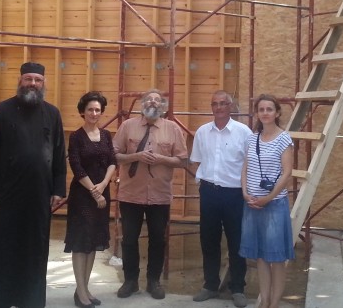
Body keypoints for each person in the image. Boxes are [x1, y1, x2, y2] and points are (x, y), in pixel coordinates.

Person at [0, 62, 67, 308]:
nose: (33, 84)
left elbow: (59, 153)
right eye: (28, 79)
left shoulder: (52, 113)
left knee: (33, 250)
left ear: (43, 83)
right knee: (1, 249)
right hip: (5, 196)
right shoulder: (2, 110)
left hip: (38, 196)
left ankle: (29, 301)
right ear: (20, 81)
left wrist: (59, 189)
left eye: (37, 80)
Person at [113, 89, 188, 300]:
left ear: (163, 106)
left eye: (157, 100)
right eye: (148, 100)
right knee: (129, 240)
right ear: (142, 104)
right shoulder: (127, 126)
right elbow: (114, 155)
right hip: (131, 195)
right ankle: (130, 281)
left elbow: (183, 160)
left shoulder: (172, 129)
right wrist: (136, 156)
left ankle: (153, 281)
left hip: (159, 196)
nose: (152, 102)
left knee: (157, 239)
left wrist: (161, 159)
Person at [189, 90, 253, 307]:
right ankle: (210, 285)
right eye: (214, 104)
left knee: (237, 241)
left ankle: (238, 288)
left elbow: (250, 164)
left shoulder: (243, 132)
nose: (218, 107)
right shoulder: (202, 132)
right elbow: (197, 160)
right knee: (208, 240)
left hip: (234, 194)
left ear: (231, 106)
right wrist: (204, 182)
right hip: (209, 193)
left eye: (223, 103)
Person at [240, 94, 295, 308]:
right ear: (257, 113)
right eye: (261, 109)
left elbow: (287, 173)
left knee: (276, 258)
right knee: (260, 257)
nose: (265, 113)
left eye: (269, 109)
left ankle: (274, 303)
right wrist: (245, 193)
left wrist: (268, 198)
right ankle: (264, 300)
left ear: (277, 112)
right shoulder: (252, 138)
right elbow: (245, 168)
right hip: (252, 204)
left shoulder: (284, 139)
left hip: (273, 205)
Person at [65, 91, 117, 308]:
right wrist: (95, 192)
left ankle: (84, 289)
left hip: (102, 194)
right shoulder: (76, 137)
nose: (94, 113)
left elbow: (113, 161)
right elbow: (76, 167)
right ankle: (81, 291)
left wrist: (103, 185)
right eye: (90, 109)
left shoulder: (106, 135)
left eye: (97, 110)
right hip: (82, 197)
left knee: (94, 241)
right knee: (80, 243)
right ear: (82, 112)